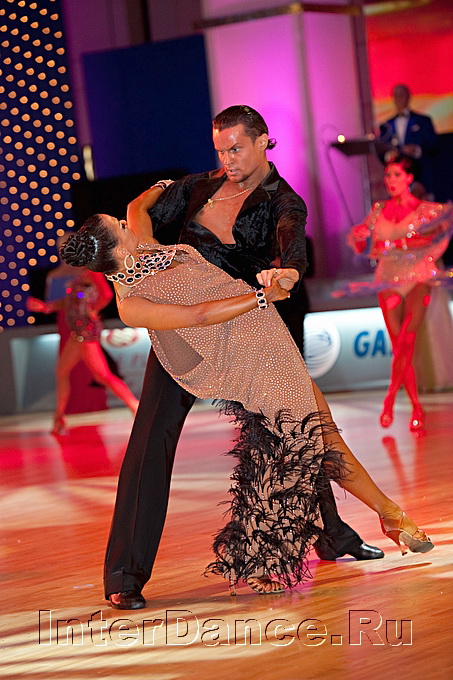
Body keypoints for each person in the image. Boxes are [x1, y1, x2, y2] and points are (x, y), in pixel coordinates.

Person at [60, 195, 435, 606]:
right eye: (118, 225)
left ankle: (378, 520)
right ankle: (382, 518)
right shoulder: (132, 303)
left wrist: (163, 187)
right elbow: (199, 315)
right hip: (245, 359)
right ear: (116, 250)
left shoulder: (147, 247)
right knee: (317, 439)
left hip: (268, 338)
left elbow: (136, 209)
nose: (125, 222)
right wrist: (261, 297)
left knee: (318, 435)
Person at [100, 105, 384, 609]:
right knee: (150, 441)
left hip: (244, 333)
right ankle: (125, 574)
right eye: (220, 150)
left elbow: (292, 250)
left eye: (236, 148)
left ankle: (334, 534)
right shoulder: (197, 187)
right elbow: (139, 213)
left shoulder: (283, 201)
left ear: (262, 141)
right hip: (184, 332)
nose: (227, 159)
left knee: (291, 427)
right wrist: (156, 192)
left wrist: (288, 274)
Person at [347, 154, 453, 432]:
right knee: (399, 345)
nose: (391, 181)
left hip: (418, 275)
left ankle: (390, 400)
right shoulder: (379, 210)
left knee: (407, 338)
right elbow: (365, 246)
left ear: (409, 178)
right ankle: (416, 406)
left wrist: (403, 244)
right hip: (388, 278)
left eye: (396, 175)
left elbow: (437, 235)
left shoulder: (426, 210)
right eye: (388, 175)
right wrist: (359, 238)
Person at [27, 237, 139, 435]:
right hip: (77, 332)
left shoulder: (90, 270)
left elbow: (106, 295)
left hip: (85, 330)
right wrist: (45, 307)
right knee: (63, 372)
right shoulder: (79, 273)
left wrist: (94, 310)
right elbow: (69, 302)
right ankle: (59, 417)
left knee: (102, 375)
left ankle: (134, 406)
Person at [379, 84, 438, 198]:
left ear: (408, 96)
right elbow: (381, 151)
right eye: (396, 96)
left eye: (402, 95)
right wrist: (390, 155)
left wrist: (416, 150)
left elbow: (434, 145)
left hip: (421, 176)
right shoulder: (386, 126)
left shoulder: (423, 121)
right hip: (398, 180)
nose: (399, 99)